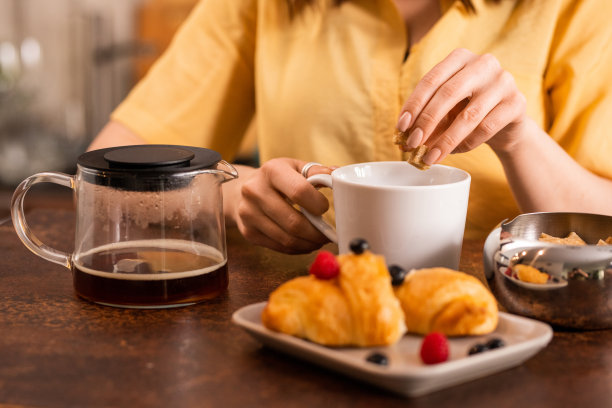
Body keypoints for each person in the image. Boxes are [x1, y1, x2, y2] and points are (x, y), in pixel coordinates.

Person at [88, 0, 612, 254]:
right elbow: (105, 177)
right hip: (300, 330)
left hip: (513, 330)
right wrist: (227, 194)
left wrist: (520, 138)